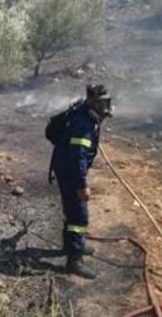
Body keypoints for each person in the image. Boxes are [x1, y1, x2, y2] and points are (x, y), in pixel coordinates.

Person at [50, 84, 112, 279]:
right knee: (79, 216)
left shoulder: (85, 115)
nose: (105, 107)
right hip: (69, 171)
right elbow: (77, 157)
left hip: (65, 167)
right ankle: (74, 260)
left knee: (72, 210)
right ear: (92, 101)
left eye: (106, 102)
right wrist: (82, 185)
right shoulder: (83, 123)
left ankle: (72, 245)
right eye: (102, 103)